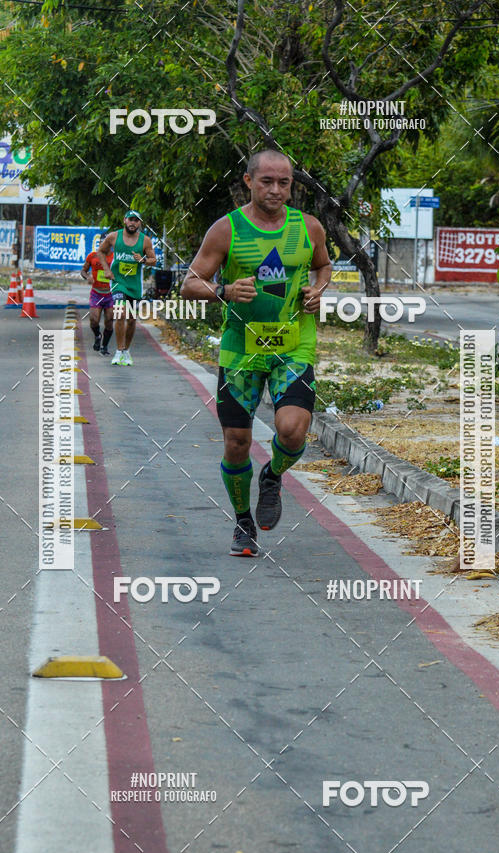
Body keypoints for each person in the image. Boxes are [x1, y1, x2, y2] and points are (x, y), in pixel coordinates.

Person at [182, 149, 332, 556]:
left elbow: (323, 266)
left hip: (293, 346)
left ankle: (273, 475)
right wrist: (224, 291)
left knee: (292, 429)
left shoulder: (309, 227)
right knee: (236, 442)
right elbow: (189, 283)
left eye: (284, 183)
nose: (276, 190)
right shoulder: (227, 229)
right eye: (267, 181)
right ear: (248, 181)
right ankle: (242, 521)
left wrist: (318, 290)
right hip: (240, 351)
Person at [97, 211, 157, 366]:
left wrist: (143, 259)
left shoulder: (145, 241)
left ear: (139, 223)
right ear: (124, 220)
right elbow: (101, 252)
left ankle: (126, 351)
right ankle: (118, 351)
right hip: (118, 282)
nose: (133, 223)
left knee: (131, 320)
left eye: (136, 221)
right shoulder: (113, 237)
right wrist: (106, 269)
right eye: (131, 220)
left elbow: (153, 260)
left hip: (134, 285)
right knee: (120, 312)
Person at [80, 231, 114, 355]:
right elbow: (83, 271)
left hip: (111, 294)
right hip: (97, 293)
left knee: (109, 320)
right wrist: (87, 276)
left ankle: (104, 346)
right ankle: (97, 335)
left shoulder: (115, 257)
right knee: (94, 320)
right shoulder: (92, 256)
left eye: (107, 243)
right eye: (102, 243)